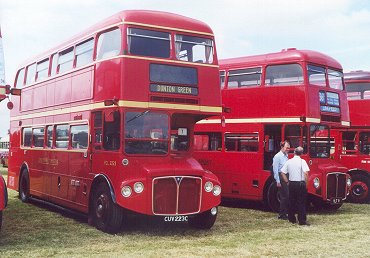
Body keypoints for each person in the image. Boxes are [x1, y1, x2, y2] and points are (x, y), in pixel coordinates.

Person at [280, 146, 310, 226]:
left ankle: (292, 219)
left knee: (291, 201)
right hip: (300, 183)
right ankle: (302, 220)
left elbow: (282, 172)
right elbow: (306, 173)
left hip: (291, 183)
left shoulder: (289, 161)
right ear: (302, 154)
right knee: (301, 202)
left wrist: (287, 181)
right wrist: (306, 184)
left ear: (294, 153)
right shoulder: (302, 161)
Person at [272, 140, 290, 220]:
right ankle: (282, 214)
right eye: (287, 147)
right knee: (284, 196)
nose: (288, 149)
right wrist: (278, 181)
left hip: (285, 175)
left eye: (289, 148)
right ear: (282, 147)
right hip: (281, 175)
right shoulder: (277, 156)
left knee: (286, 195)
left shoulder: (286, 155)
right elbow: (275, 170)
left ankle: (284, 213)